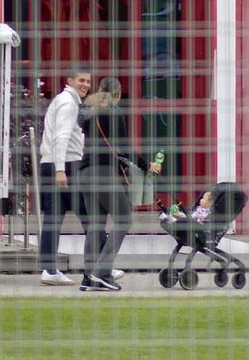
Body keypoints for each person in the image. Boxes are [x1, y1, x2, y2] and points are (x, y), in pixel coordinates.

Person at [78, 77, 161, 291]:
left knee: (95, 225)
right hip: (104, 173)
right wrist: (147, 165)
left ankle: (89, 277)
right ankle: (102, 273)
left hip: (85, 172)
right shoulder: (114, 112)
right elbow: (124, 147)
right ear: (119, 93)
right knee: (124, 219)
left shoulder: (86, 111)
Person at [38, 67, 91, 285]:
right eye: (81, 80)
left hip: (52, 164)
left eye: (88, 81)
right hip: (65, 166)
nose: (85, 85)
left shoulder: (63, 100)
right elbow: (61, 137)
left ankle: (49, 270)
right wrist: (60, 170)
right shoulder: (69, 103)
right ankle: (103, 265)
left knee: (53, 218)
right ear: (70, 80)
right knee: (90, 215)